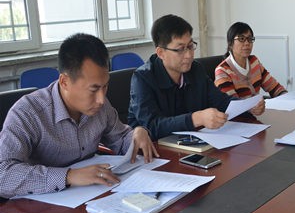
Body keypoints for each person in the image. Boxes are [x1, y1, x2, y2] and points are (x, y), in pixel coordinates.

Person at [0, 33, 157, 199]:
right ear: (64, 82)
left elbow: (121, 139)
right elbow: (3, 173)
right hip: (41, 205)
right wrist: (69, 176)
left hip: (90, 198)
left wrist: (136, 134)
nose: (101, 99)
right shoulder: (29, 113)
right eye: (93, 89)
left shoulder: (100, 105)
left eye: (105, 86)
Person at [128, 14, 231, 140]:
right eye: (180, 49)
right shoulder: (142, 78)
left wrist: (247, 107)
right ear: (161, 53)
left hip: (190, 142)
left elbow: (221, 102)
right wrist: (195, 119)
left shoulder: (196, 69)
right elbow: (152, 126)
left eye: (190, 46)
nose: (189, 55)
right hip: (154, 148)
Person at [214, 22, 287, 116]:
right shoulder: (222, 71)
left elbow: (274, 87)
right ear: (230, 43)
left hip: (256, 117)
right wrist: (251, 109)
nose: (247, 43)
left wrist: (287, 97)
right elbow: (232, 105)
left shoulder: (254, 62)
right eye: (241, 39)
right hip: (237, 120)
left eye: (250, 39)